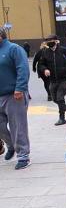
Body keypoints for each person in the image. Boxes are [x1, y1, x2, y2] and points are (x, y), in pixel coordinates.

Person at [0, 27, 31, 170]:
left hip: (14, 95)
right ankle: (11, 145)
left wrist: (20, 88)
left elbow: (22, 68)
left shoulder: (14, 49)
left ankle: (23, 155)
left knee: (17, 126)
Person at [36, 34, 66, 126]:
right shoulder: (45, 52)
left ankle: (61, 118)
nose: (49, 43)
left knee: (60, 97)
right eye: (47, 42)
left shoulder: (64, 51)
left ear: (56, 41)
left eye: (51, 41)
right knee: (54, 99)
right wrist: (45, 69)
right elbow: (41, 64)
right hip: (53, 80)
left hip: (64, 79)